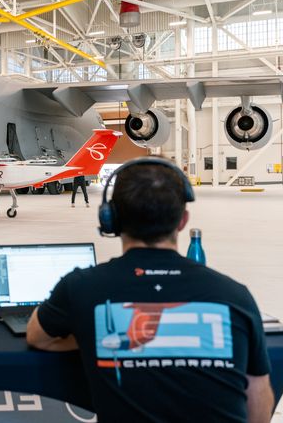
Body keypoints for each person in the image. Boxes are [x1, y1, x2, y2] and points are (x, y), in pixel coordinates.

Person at [26, 157, 274, 422]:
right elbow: (258, 411)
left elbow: (38, 338)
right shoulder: (235, 296)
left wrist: (94, 335)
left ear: (111, 219)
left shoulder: (81, 288)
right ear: (182, 221)